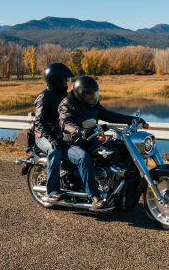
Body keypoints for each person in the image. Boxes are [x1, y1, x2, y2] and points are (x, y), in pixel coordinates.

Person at [58, 75, 145, 210]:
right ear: (80, 94)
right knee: (83, 158)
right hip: (71, 143)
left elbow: (108, 115)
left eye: (94, 94)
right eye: (90, 94)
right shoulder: (67, 104)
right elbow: (66, 122)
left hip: (90, 140)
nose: (93, 97)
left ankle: (121, 190)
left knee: (116, 152)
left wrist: (131, 119)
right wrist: (79, 130)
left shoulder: (92, 105)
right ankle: (94, 197)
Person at [34, 63, 74, 202]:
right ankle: (52, 191)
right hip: (43, 136)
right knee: (55, 151)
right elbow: (39, 122)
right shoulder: (44, 97)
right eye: (64, 79)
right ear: (55, 79)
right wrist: (52, 139)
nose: (66, 81)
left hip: (60, 134)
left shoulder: (65, 95)